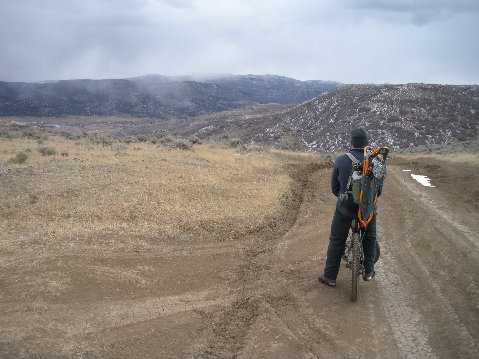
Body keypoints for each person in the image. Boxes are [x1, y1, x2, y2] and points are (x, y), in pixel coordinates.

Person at [318, 127, 379, 287]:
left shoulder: (341, 160)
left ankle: (330, 276)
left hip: (345, 209)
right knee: (370, 237)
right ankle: (368, 271)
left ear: (351, 143)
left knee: (337, 240)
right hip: (367, 210)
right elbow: (378, 190)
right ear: (366, 143)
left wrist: (345, 199)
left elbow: (334, 188)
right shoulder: (375, 161)